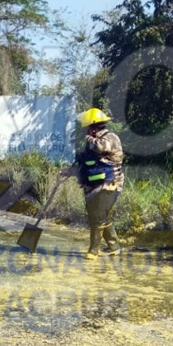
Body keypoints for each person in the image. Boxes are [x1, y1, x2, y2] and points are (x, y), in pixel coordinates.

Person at [63, 108, 125, 260]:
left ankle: (93, 251)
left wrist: (89, 139)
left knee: (97, 217)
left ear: (94, 127)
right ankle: (114, 247)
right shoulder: (90, 143)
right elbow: (84, 164)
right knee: (102, 216)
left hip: (110, 184)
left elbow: (100, 147)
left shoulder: (110, 138)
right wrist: (68, 171)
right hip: (93, 186)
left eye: (88, 128)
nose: (86, 131)